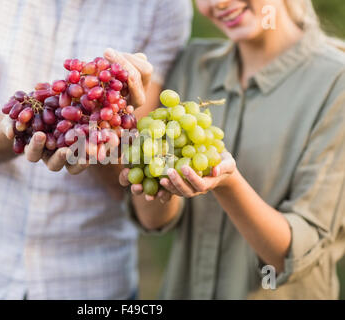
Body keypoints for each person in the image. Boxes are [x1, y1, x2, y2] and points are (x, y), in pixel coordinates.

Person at [0, 0, 192, 299]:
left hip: (91, 285)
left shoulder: (164, 7)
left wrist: (103, 126)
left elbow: (124, 180)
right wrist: (32, 126)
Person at [116, 0, 345, 299]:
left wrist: (227, 183)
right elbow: (153, 221)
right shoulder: (192, 63)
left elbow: (291, 256)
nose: (218, 4)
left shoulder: (335, 84)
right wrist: (149, 169)